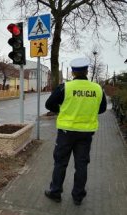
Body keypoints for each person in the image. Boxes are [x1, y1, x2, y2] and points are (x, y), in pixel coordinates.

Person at [44, 57, 107, 205]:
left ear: (72, 72)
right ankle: (78, 196)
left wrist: (61, 110)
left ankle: (56, 193)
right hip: (86, 133)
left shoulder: (65, 87)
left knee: (60, 163)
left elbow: (49, 104)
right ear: (86, 71)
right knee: (82, 165)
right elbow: (103, 109)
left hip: (66, 132)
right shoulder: (97, 88)